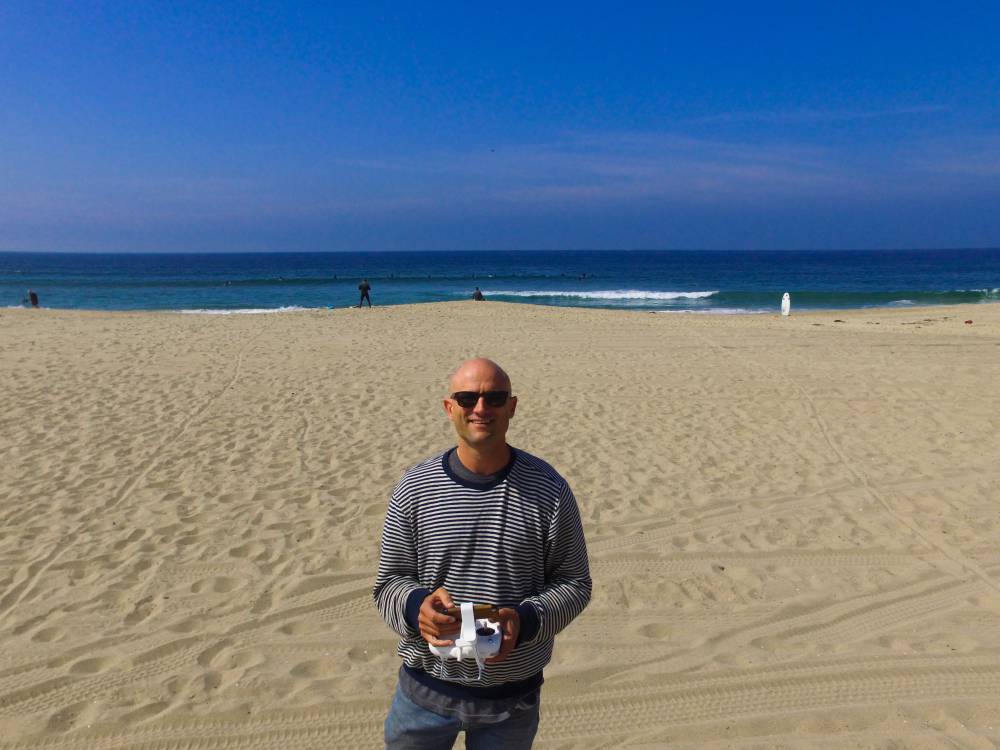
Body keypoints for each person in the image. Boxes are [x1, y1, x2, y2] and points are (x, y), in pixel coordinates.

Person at [373, 358, 591, 749]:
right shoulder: (415, 487)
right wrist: (417, 607)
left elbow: (575, 582)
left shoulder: (549, 489)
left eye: (494, 398)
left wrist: (524, 620)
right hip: (424, 692)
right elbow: (388, 582)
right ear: (449, 407)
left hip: (512, 700)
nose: (480, 408)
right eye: (467, 397)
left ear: (512, 406)